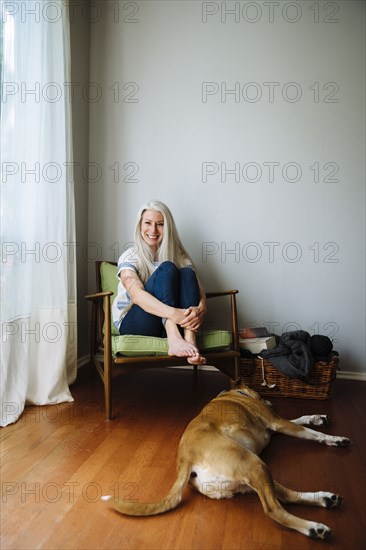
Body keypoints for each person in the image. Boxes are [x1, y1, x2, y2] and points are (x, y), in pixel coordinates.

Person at [112, 200, 207, 365]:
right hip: (136, 323)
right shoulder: (130, 256)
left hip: (172, 323)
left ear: (168, 228)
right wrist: (173, 314)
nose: (153, 230)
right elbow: (137, 295)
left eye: (160, 224)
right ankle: (174, 338)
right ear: (140, 226)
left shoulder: (180, 255)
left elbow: (199, 291)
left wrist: (201, 308)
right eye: (148, 223)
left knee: (186, 272)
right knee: (168, 268)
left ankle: (190, 339)